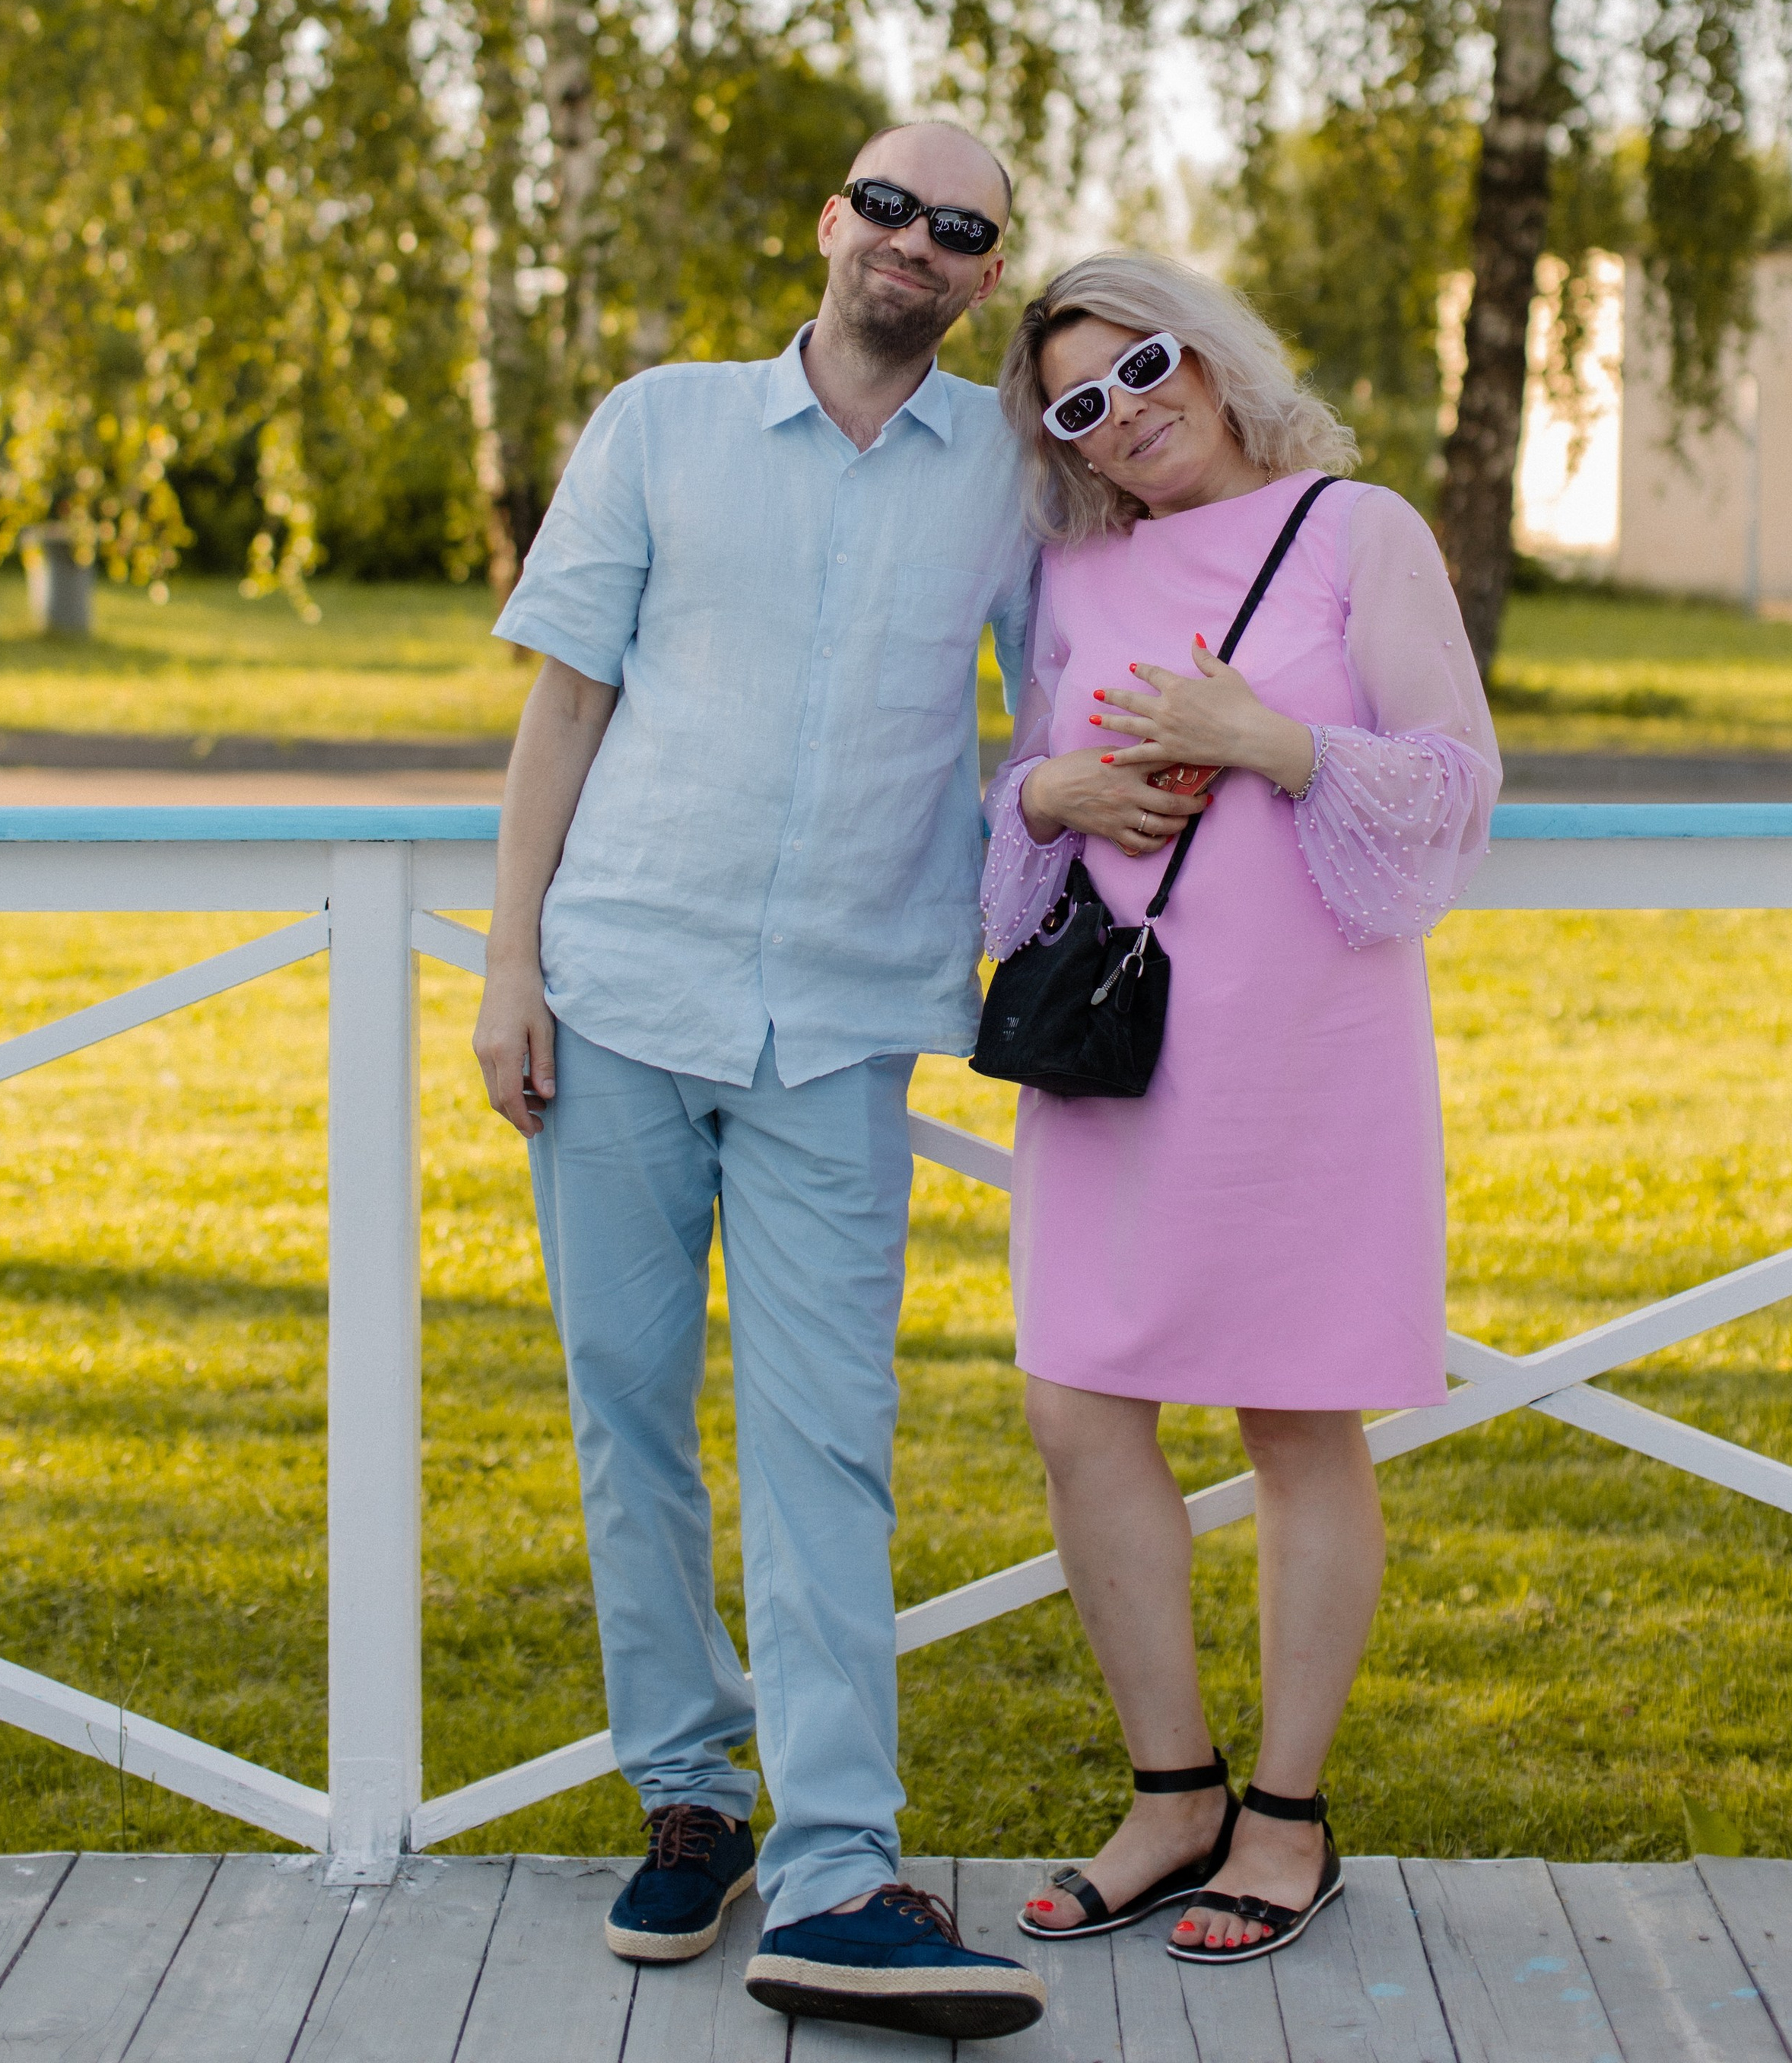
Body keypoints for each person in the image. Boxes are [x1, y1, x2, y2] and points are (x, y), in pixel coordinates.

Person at [473, 122, 1047, 2042]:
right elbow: (566, 698)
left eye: (958, 228)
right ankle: (690, 1801)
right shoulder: (660, 423)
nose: (913, 241)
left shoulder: (1009, 477)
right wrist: (507, 966)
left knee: (826, 1442)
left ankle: (834, 1870)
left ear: (981, 277)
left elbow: (1070, 686)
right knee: (625, 1412)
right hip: (621, 984)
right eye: (887, 205)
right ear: (830, 225)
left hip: (842, 1023)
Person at [980, 253, 1499, 1972]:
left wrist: (1263, 738)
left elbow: (1450, 786)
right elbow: (1021, 798)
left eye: (1139, 371)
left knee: (1294, 1421)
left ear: (1204, 358)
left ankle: (1285, 1814)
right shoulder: (1071, 567)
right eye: (1076, 403)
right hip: (1114, 1052)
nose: (1121, 416)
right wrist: (1052, 786)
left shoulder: (1358, 529)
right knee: (1074, 1409)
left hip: (1305, 1061)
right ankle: (1168, 1791)